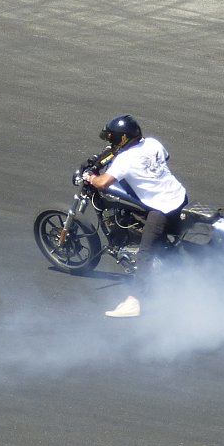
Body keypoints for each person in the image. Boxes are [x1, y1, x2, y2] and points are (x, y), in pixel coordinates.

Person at [83, 115, 188, 317]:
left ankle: (135, 302)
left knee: (145, 254)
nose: (112, 142)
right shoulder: (153, 143)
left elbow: (103, 183)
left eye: (113, 139)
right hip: (179, 196)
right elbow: (164, 158)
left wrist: (90, 177)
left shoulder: (124, 161)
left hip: (163, 208)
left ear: (122, 139)